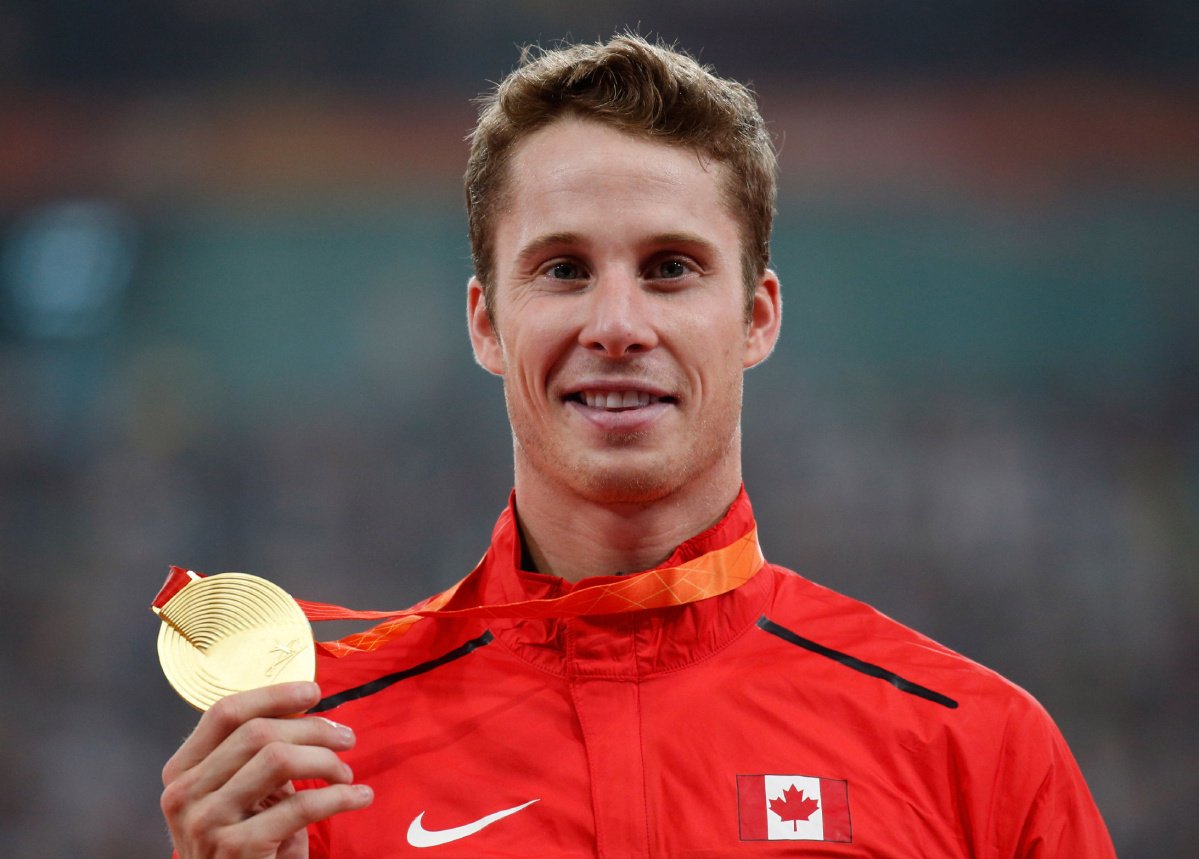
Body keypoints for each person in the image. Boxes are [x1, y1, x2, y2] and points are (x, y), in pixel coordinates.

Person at [159, 34, 1116, 857]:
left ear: (756, 317)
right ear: (486, 324)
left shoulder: (972, 748)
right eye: (563, 269)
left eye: (669, 268)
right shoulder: (310, 768)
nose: (616, 325)